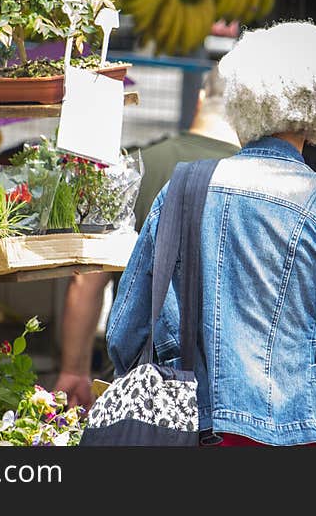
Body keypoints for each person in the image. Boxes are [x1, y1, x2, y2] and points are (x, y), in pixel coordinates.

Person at [106, 21, 316, 446]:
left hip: (188, 429)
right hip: (293, 434)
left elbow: (123, 332)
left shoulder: (181, 189)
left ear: (241, 98)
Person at [53, 67, 241, 407]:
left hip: (139, 388)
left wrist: (74, 370)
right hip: (229, 394)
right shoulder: (257, 182)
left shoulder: (141, 166)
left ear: (200, 98)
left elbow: (88, 281)